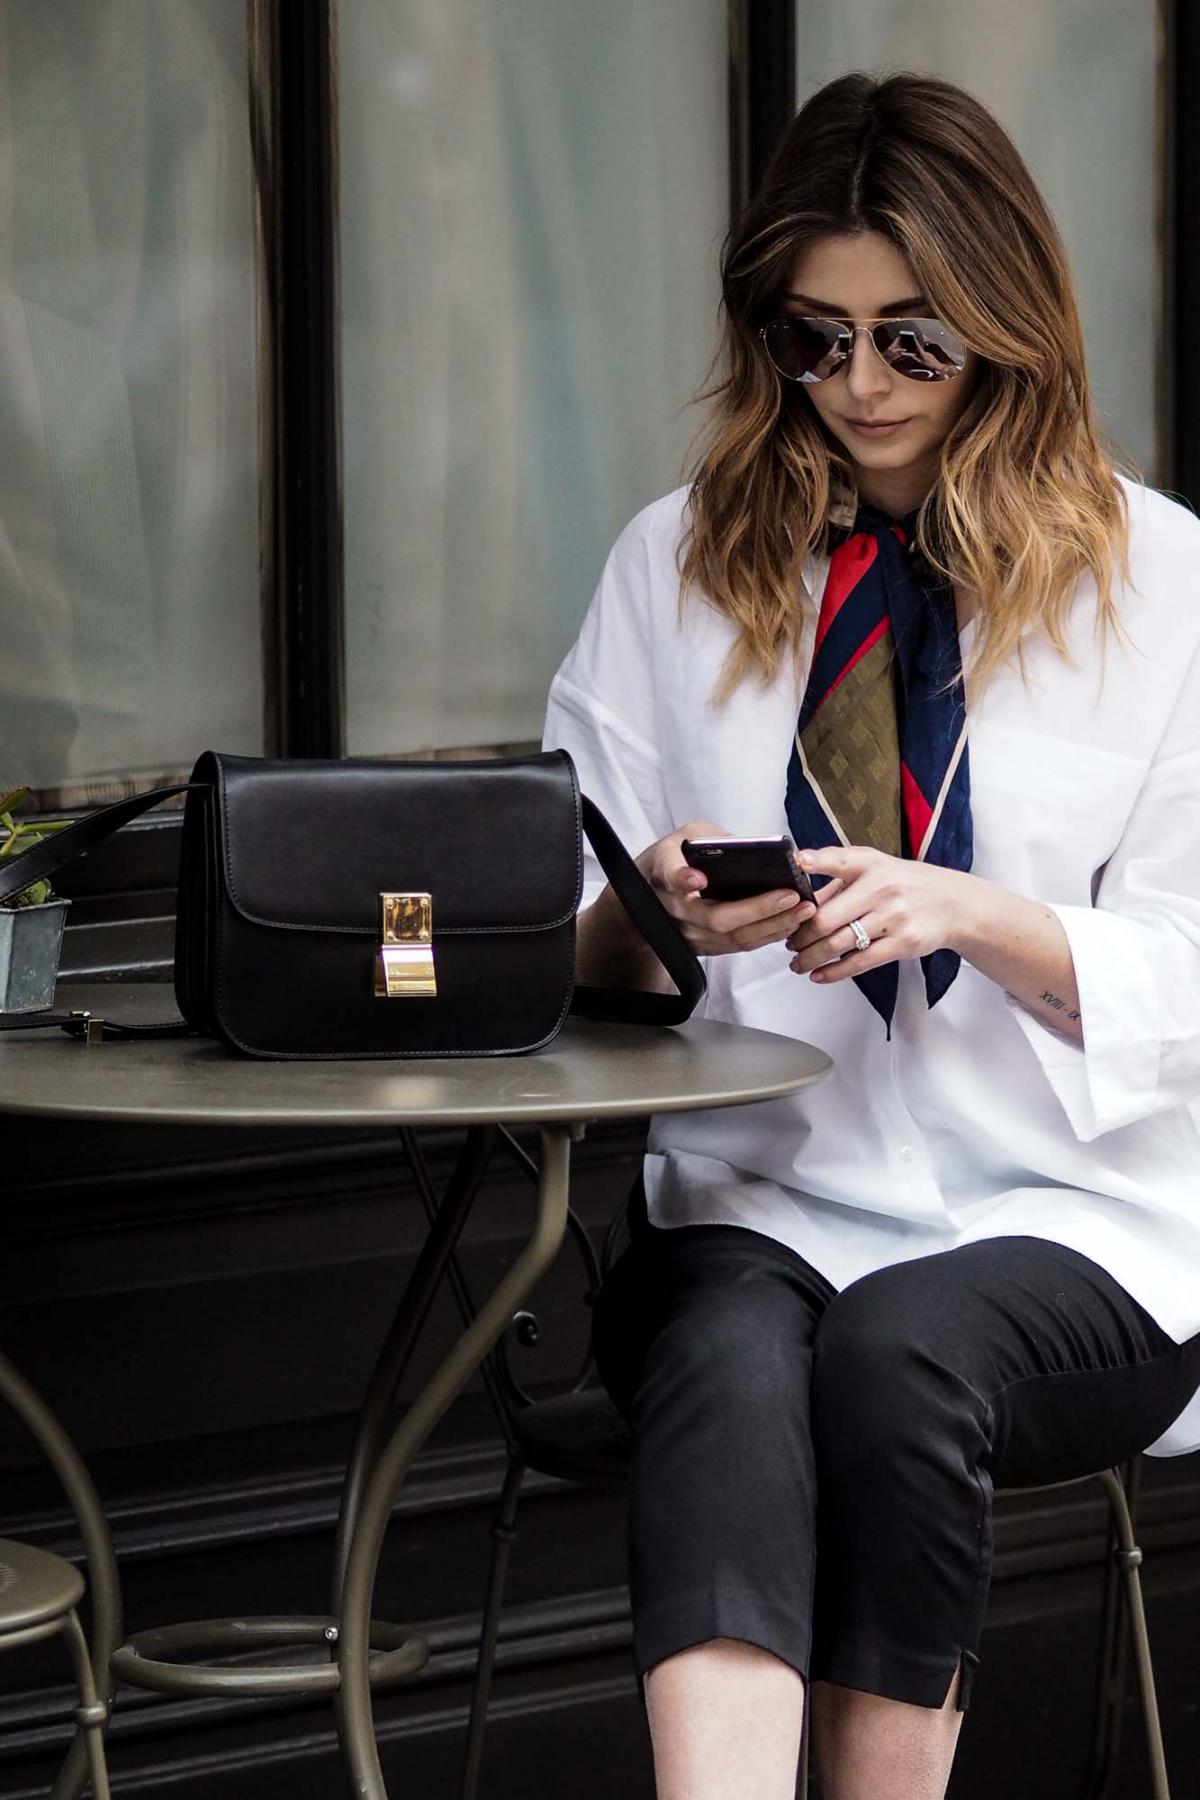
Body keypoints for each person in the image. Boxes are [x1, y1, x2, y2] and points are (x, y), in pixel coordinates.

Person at [540, 70, 1200, 1800]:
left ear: (1008, 326)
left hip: (1080, 1219)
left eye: (913, 342)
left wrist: (974, 915)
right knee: (736, 1359)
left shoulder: (1165, 586)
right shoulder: (673, 568)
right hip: (762, 1188)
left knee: (903, 1352)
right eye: (810, 341)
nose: (857, 389)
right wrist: (648, 912)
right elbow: (545, 944)